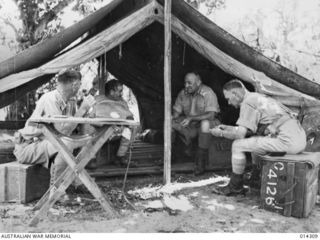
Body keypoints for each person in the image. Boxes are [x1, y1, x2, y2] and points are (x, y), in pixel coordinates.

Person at [210, 79, 306, 196]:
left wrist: (220, 133)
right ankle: (256, 179)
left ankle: (235, 187)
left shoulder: (247, 102)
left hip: (288, 141)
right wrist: (227, 128)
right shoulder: (257, 97)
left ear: (236, 94)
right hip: (299, 139)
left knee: (237, 145)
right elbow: (247, 130)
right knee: (255, 143)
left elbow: (240, 135)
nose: (229, 103)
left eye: (229, 98)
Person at [13, 70, 95, 199]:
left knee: (89, 140)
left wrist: (85, 114)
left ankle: (75, 182)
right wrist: (82, 110)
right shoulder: (50, 99)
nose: (80, 87)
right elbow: (61, 132)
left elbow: (73, 129)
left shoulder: (70, 101)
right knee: (65, 144)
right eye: (79, 84)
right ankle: (57, 191)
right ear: (74, 84)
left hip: (47, 144)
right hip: (28, 147)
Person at [172, 72, 220, 175]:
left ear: (198, 82)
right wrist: (173, 117)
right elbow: (177, 112)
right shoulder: (183, 93)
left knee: (205, 124)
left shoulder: (208, 93)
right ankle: (171, 155)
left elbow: (211, 115)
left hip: (209, 122)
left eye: (189, 83)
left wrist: (191, 118)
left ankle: (200, 162)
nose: (186, 86)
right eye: (185, 83)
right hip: (191, 123)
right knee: (170, 123)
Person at [86, 79, 137, 167]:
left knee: (128, 130)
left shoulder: (122, 102)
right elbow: (90, 116)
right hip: (100, 130)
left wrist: (125, 121)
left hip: (118, 131)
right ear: (111, 91)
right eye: (119, 91)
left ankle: (120, 156)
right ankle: (91, 158)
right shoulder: (98, 100)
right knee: (87, 127)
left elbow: (130, 117)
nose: (121, 93)